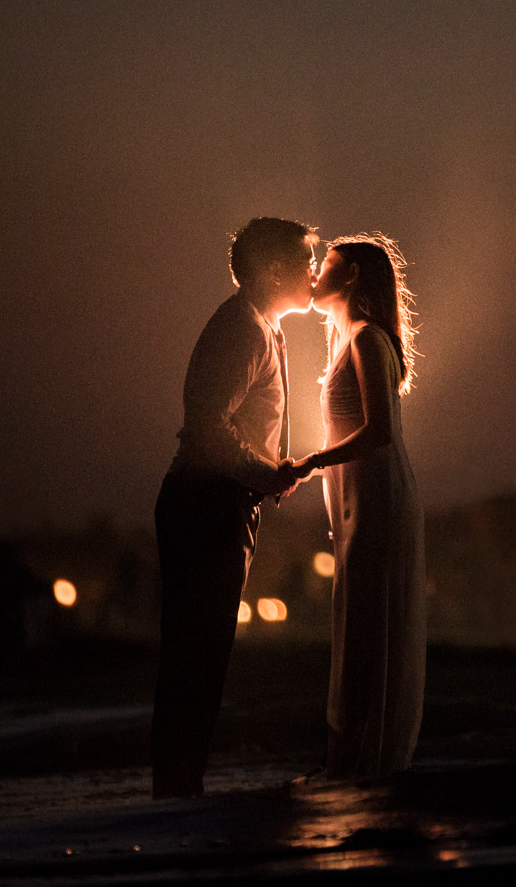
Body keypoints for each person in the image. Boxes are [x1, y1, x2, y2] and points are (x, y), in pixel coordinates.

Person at [151, 217, 314, 798]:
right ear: (273, 270)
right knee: (196, 652)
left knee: (204, 651)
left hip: (219, 500)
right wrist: (265, 474)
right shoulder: (242, 329)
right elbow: (206, 428)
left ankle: (179, 783)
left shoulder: (260, 326)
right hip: (207, 502)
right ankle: (175, 790)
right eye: (303, 260)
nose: (313, 272)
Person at [288, 233, 425, 779]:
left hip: (378, 496)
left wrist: (311, 461)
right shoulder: (347, 341)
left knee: (372, 620)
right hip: (355, 500)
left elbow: (381, 432)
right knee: (358, 618)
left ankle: (366, 758)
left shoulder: (369, 339)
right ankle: (351, 756)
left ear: (351, 278)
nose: (315, 274)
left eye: (327, 264)